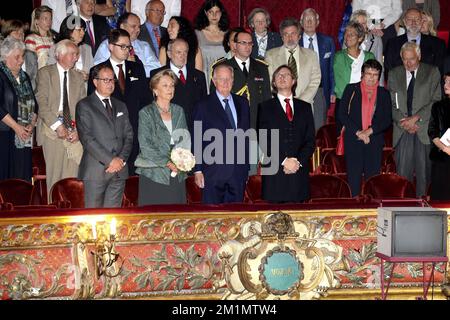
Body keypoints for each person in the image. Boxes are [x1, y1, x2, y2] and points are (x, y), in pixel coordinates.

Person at [88, 28, 151, 176]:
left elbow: (145, 99)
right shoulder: (97, 71)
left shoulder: (137, 67)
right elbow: (93, 106)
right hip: (110, 133)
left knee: (133, 178)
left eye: (128, 46)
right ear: (111, 47)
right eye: (122, 46)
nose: (126, 50)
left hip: (134, 130)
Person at [388, 42, 441, 197]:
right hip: (402, 129)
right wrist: (404, 121)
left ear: (419, 56)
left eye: (411, 59)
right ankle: (403, 210)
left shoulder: (432, 72)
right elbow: (390, 103)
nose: (408, 63)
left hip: (423, 129)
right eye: (404, 59)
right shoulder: (394, 73)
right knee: (402, 177)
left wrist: (416, 118)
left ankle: (423, 211)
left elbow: (436, 101)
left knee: (424, 176)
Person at [76, 64, 133, 208]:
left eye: (112, 80)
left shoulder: (121, 105)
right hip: (96, 171)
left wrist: (120, 160)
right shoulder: (84, 105)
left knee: (112, 219)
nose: (110, 83)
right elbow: (87, 139)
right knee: (93, 219)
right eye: (105, 80)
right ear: (95, 82)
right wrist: (110, 160)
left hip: (119, 171)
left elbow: (129, 136)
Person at [193, 64, 250, 204]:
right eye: (221, 79)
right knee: (213, 218)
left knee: (236, 218)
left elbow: (246, 136)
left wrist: (245, 167)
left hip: (238, 172)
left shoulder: (243, 103)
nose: (225, 82)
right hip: (213, 172)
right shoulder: (203, 105)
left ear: (233, 80)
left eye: (229, 79)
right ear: (214, 80)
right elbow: (197, 138)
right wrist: (198, 170)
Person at [35, 40, 86, 196]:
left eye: (76, 54)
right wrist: (57, 125)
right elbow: (41, 103)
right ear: (59, 55)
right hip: (52, 130)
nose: (76, 58)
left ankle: (71, 212)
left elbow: (83, 108)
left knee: (73, 177)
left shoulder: (78, 76)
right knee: (55, 176)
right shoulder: (45, 73)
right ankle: (53, 213)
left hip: (73, 130)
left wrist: (79, 130)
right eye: (72, 54)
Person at [257, 65, 315, 203]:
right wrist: (284, 161)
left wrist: (297, 162)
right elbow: (265, 140)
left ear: (293, 81)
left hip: (298, 174)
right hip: (275, 174)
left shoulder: (305, 107)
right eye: (279, 76)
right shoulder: (265, 107)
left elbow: (310, 140)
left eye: (286, 75)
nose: (282, 78)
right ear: (274, 83)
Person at [337, 59, 392, 196]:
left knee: (372, 180)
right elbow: (341, 114)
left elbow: (387, 120)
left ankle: (372, 211)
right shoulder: (351, 89)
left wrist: (369, 132)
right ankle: (353, 211)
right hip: (354, 139)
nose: (372, 78)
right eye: (369, 74)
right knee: (353, 179)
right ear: (362, 74)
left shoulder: (384, 93)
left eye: (375, 75)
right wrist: (359, 133)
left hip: (374, 140)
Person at [135, 69, 190, 205]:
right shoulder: (146, 113)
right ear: (155, 89)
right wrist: (168, 162)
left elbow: (185, 139)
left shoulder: (179, 110)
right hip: (154, 174)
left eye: (172, 85)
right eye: (165, 85)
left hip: (177, 173)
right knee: (155, 220)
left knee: (177, 219)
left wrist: (182, 161)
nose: (170, 89)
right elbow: (146, 145)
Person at [210, 30, 271, 131]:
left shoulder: (261, 67)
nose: (247, 46)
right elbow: (214, 100)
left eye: (250, 43)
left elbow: (266, 98)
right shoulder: (222, 67)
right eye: (243, 43)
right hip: (230, 124)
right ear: (235, 45)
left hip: (256, 125)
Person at [0, 37, 38, 181]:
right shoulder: (1, 75)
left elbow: (35, 104)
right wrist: (16, 126)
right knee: (6, 179)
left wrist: (31, 125)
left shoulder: (25, 77)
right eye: (17, 57)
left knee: (22, 179)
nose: (21, 60)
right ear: (5, 56)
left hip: (24, 136)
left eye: (22, 56)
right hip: (5, 137)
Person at [150, 38, 207, 130]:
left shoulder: (199, 75)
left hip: (195, 128)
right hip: (169, 128)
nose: (182, 56)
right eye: (178, 52)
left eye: (185, 52)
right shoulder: (157, 74)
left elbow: (204, 104)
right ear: (169, 54)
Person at [266, 17, 321, 105]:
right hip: (279, 105)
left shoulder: (311, 55)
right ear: (282, 37)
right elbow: (269, 81)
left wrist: (300, 102)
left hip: (304, 105)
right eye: (286, 34)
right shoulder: (271, 55)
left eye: (293, 33)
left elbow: (315, 80)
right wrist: (284, 102)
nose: (290, 37)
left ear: (299, 36)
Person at [334, 21, 375, 134]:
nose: (347, 37)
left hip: (366, 103)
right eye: (346, 33)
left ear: (360, 38)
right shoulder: (339, 56)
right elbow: (341, 85)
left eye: (351, 34)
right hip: (344, 104)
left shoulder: (369, 57)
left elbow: (373, 82)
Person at [299, 8, 336, 131]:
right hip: (301, 90)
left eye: (312, 19)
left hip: (321, 91)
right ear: (301, 22)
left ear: (317, 22)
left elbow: (331, 69)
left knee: (319, 128)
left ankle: (317, 151)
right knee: (301, 127)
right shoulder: (295, 41)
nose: (309, 22)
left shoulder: (328, 42)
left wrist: (332, 91)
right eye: (306, 19)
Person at [384, 8, 446, 79]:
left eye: (417, 19)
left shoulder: (438, 44)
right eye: (410, 19)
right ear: (404, 21)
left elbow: (439, 72)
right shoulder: (392, 44)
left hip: (428, 87)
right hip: (400, 87)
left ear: (421, 21)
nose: (413, 23)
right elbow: (388, 71)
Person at [93, 12, 160, 78]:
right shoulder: (108, 45)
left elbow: (156, 68)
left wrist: (135, 67)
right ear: (122, 26)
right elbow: (98, 68)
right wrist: (124, 65)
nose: (138, 30)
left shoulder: (144, 46)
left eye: (139, 27)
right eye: (134, 26)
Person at [194, 0, 229, 92]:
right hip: (205, 76)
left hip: (225, 77)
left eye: (217, 12)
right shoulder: (197, 33)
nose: (214, 15)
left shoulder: (229, 34)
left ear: (221, 13)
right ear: (205, 13)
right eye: (211, 12)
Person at [48, 15, 93, 84]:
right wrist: (75, 75)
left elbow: (93, 73)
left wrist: (87, 77)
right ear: (69, 30)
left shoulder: (87, 49)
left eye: (84, 29)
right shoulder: (55, 49)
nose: (83, 33)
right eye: (79, 30)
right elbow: (51, 73)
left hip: (84, 90)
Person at [428, 72, 450, 200]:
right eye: (445, 81)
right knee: (441, 198)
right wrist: (445, 149)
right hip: (442, 157)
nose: (445, 85)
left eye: (449, 82)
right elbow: (432, 132)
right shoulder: (438, 106)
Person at [1, 20, 38, 89]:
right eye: (16, 32)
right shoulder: (2, 56)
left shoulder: (31, 56)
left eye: (22, 33)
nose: (20, 35)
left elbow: (34, 81)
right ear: (7, 36)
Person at [25, 5, 55, 70]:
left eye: (50, 19)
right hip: (39, 76)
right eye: (45, 18)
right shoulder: (31, 39)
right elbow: (30, 64)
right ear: (36, 21)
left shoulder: (53, 38)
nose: (49, 22)